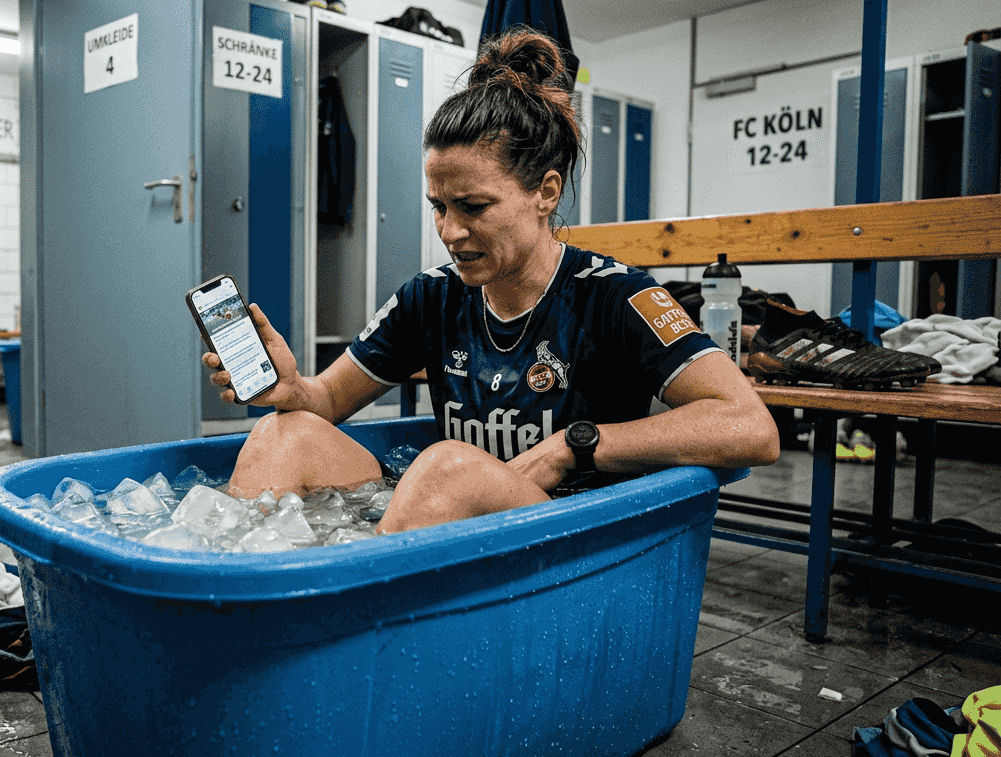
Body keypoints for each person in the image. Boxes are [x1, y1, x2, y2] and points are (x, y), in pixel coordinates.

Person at [202, 26, 779, 533]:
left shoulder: (615, 295)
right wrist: (292, 390)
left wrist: (570, 448)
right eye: (438, 206)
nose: (450, 232)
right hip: (450, 514)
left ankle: (359, 638)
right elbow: (326, 401)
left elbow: (752, 427)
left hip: (564, 536)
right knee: (285, 434)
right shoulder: (430, 297)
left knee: (446, 467)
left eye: (473, 207)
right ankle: (241, 616)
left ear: (545, 193)